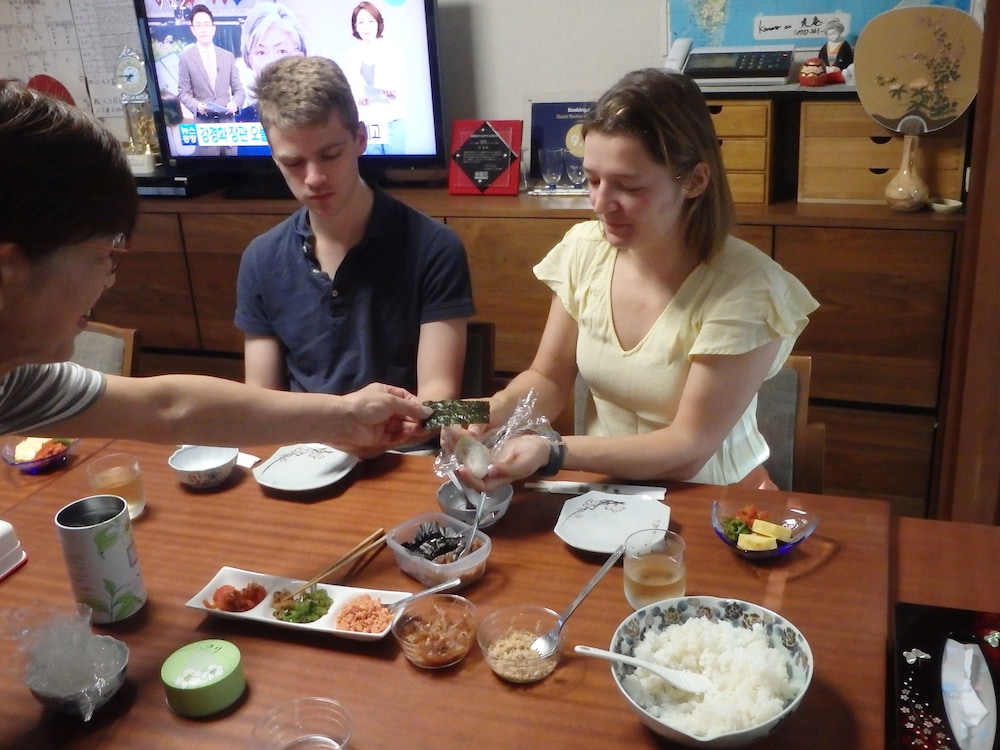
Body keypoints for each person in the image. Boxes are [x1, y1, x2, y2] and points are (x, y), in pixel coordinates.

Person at [0, 78, 429, 456]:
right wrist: (344, 419)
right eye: (106, 252)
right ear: (8, 270)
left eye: (330, 154)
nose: (109, 279)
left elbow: (170, 408)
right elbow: (184, 408)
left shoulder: (15, 384)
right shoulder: (264, 255)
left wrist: (350, 417)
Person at [453, 68, 819, 491]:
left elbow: (688, 447)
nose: (600, 204)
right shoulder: (585, 249)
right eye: (592, 180)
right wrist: (464, 412)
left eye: (628, 187)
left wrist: (552, 451)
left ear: (695, 181)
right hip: (610, 492)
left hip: (712, 499)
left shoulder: (747, 288)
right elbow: (548, 380)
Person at [234, 57, 474, 411]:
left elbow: (439, 398)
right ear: (274, 158)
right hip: (305, 440)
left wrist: (386, 426)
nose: (314, 178)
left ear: (360, 138)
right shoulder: (261, 258)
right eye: (293, 163)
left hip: (405, 436)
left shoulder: (435, 247)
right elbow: (261, 398)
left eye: (331, 155)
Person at [177, 4, 245, 155]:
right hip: (205, 129)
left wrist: (235, 103)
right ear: (193, 30)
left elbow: (239, 90)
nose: (203, 29)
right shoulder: (186, 58)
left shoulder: (227, 56)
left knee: (235, 170)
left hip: (228, 128)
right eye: (199, 25)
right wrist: (197, 106)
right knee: (208, 169)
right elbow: (183, 93)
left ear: (213, 29)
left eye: (206, 24)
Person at [344, 1, 406, 155]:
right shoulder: (352, 55)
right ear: (355, 27)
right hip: (368, 122)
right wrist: (359, 98)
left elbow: (402, 85)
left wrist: (393, 92)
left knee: (397, 165)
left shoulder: (391, 49)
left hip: (392, 120)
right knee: (373, 165)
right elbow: (350, 89)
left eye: (370, 21)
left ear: (378, 23)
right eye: (361, 22)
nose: (366, 26)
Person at [236, 1, 307, 126]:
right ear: (249, 59)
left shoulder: (319, 117)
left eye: (281, 51)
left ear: (300, 56)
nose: (271, 62)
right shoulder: (240, 123)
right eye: (261, 52)